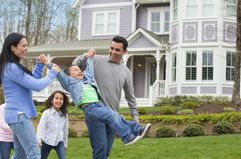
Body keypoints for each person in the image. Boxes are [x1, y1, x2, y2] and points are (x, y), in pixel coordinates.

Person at [40, 51, 150, 158]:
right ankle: (127, 136)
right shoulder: (69, 83)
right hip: (90, 108)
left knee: (117, 118)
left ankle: (137, 129)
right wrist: (47, 63)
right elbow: (59, 73)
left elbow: (89, 70)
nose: (80, 71)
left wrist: (90, 58)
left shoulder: (88, 81)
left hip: (99, 106)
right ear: (69, 75)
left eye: (80, 69)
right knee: (111, 116)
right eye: (76, 70)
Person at [72, 36, 140, 157]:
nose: (113, 52)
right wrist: (86, 55)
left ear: (124, 52)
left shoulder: (126, 72)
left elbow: (131, 97)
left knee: (105, 152)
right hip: (95, 114)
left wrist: (135, 119)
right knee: (100, 150)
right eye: (112, 48)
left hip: (113, 117)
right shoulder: (96, 60)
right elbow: (75, 64)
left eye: (117, 50)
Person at [0, 32, 61, 159]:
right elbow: (37, 86)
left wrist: (39, 66)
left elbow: (32, 82)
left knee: (20, 154)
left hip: (16, 117)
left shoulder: (11, 67)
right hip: (19, 116)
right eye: (24, 45)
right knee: (34, 153)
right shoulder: (12, 68)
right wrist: (52, 73)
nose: (26, 48)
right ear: (13, 47)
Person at [37, 91, 69, 159]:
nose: (59, 100)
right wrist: (39, 139)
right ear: (52, 100)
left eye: (61, 99)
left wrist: (65, 143)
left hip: (59, 141)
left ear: (63, 102)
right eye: (56, 98)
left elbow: (65, 130)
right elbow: (41, 127)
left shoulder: (64, 115)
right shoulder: (46, 113)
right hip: (47, 141)